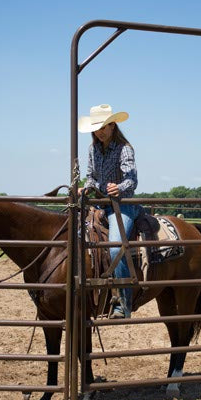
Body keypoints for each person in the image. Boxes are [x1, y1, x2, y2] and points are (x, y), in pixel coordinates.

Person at [79, 104, 139, 318]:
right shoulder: (92, 149)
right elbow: (91, 177)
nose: (99, 131)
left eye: (103, 127)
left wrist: (119, 187)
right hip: (99, 205)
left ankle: (123, 304)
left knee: (115, 248)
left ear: (113, 126)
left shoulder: (125, 149)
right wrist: (85, 187)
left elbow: (132, 180)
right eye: (96, 127)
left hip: (122, 205)